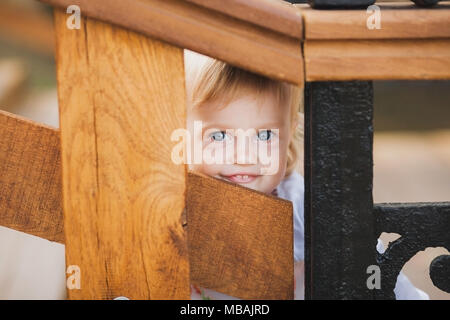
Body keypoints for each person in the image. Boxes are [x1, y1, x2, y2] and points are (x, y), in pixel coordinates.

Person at [183, 49, 428, 300]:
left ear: (291, 133)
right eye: (219, 136)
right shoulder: (166, 210)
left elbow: (386, 280)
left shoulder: (310, 205)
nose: (244, 157)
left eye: (265, 135)